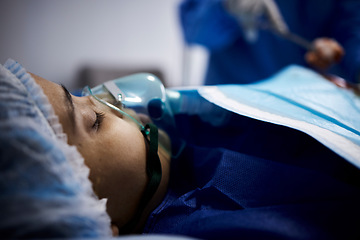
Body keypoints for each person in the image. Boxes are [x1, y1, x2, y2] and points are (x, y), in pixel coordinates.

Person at [2, 59, 360, 239]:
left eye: (81, 93)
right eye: (93, 121)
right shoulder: (207, 223)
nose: (102, 99)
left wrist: (314, 90)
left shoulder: (189, 130)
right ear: (88, 213)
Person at [179, 0, 360, 85]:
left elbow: (352, 31)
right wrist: (226, 6)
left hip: (309, 119)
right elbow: (193, 28)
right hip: (230, 119)